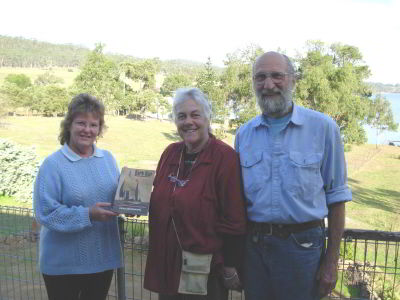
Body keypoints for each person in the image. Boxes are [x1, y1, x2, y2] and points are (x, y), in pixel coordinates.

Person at [235, 52, 352, 300]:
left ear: (293, 80)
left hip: (303, 249)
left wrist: (331, 263)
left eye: (277, 76)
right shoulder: (244, 134)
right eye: (260, 77)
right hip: (254, 249)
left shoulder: (323, 128)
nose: (268, 85)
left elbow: (337, 197)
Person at [144, 87, 247, 300]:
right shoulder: (170, 153)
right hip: (168, 265)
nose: (188, 121)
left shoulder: (224, 158)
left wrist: (230, 265)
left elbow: (234, 217)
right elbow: (161, 197)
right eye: (181, 116)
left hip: (204, 270)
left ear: (207, 117)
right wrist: (137, 205)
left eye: (195, 115)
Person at [33, 93, 123, 300]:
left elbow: (116, 197)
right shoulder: (53, 164)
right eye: (81, 123)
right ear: (69, 125)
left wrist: (128, 206)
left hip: (102, 259)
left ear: (100, 129)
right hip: (64, 265)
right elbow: (45, 213)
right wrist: (88, 214)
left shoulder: (107, 159)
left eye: (94, 124)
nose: (87, 130)